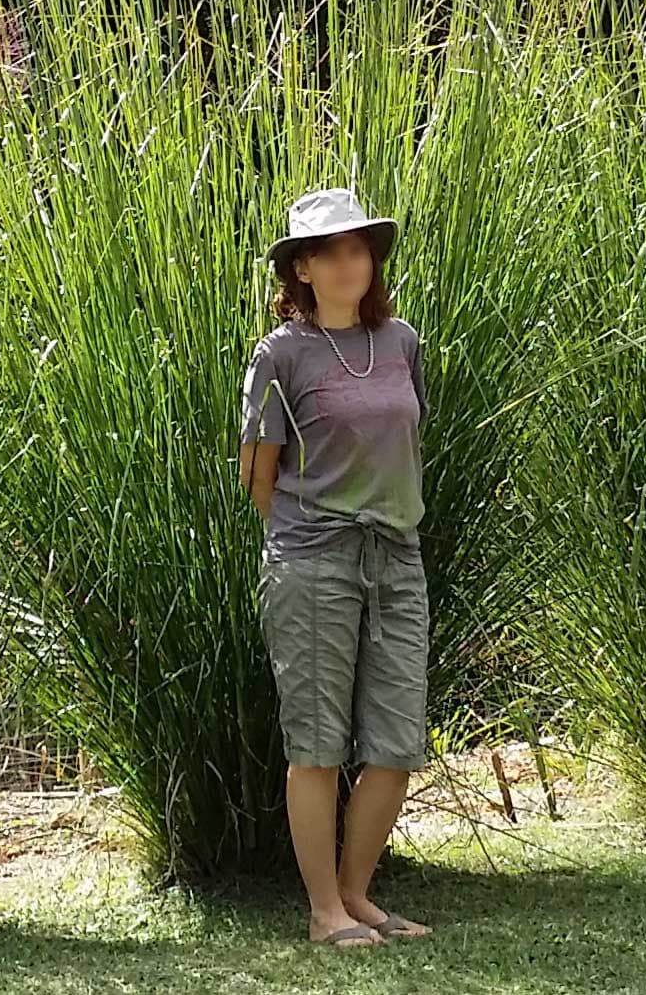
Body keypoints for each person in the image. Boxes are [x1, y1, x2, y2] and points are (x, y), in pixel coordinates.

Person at [238, 186, 433, 950]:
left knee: (395, 740)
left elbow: (409, 444)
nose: (350, 262)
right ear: (303, 268)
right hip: (314, 561)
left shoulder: (404, 342)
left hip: (398, 559)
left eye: (360, 248)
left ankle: (358, 895)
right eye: (331, 251)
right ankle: (325, 913)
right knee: (316, 742)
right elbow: (259, 476)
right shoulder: (280, 354)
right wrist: (311, 532)